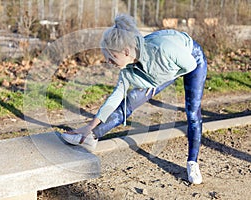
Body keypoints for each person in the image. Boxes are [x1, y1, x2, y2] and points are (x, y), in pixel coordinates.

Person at [61, 14, 207, 185]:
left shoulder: (163, 49)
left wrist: (161, 79)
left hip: (191, 59)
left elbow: (190, 66)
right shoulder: (127, 69)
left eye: (112, 57)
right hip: (160, 68)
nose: (109, 62)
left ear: (126, 51)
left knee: (192, 111)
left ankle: (192, 162)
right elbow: (115, 98)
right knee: (129, 101)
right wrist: (90, 125)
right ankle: (91, 136)